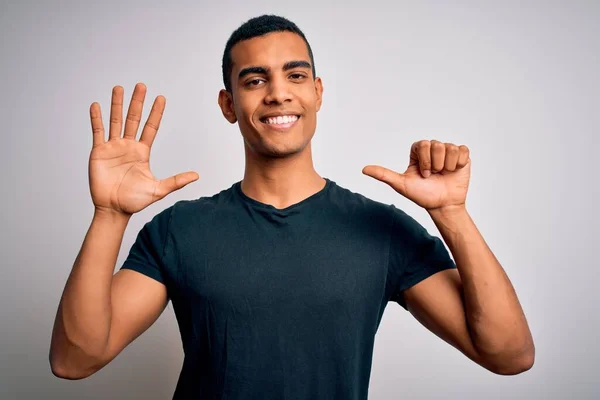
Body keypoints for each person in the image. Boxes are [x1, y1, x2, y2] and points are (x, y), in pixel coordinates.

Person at [49, 14, 534, 399]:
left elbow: (509, 354)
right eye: (255, 80)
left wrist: (451, 213)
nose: (279, 92)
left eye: (295, 75)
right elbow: (74, 360)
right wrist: (110, 216)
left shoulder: (381, 230)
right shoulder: (180, 230)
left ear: (317, 93)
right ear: (228, 104)